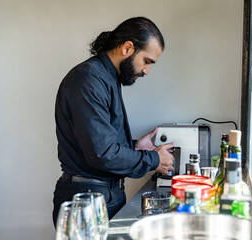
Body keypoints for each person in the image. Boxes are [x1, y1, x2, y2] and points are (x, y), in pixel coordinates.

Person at [52, 17, 174, 226]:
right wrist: (152, 159)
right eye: (146, 61)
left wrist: (135, 148)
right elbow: (102, 154)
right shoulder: (88, 79)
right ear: (127, 48)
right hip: (87, 202)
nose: (146, 71)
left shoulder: (105, 78)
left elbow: (99, 143)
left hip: (101, 196)